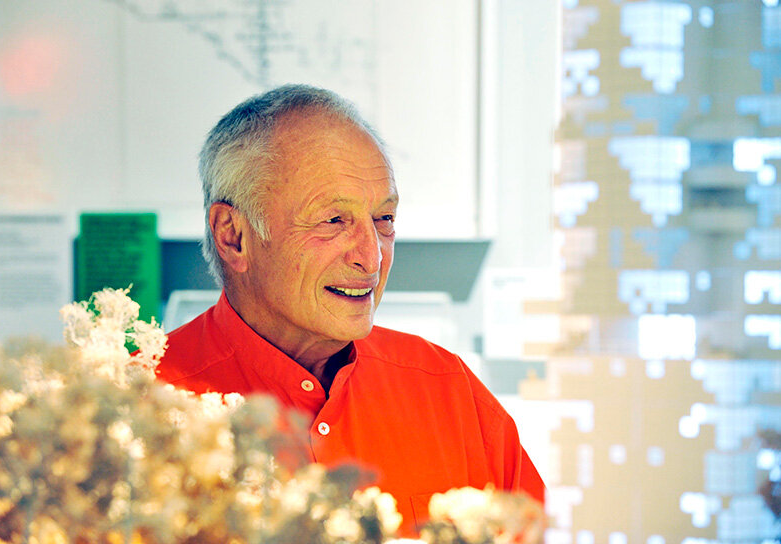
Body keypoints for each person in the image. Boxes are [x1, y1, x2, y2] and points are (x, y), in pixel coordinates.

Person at [156, 84, 545, 535]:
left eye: (384, 220)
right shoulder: (140, 408)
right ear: (233, 236)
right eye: (333, 220)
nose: (372, 257)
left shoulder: (449, 390)